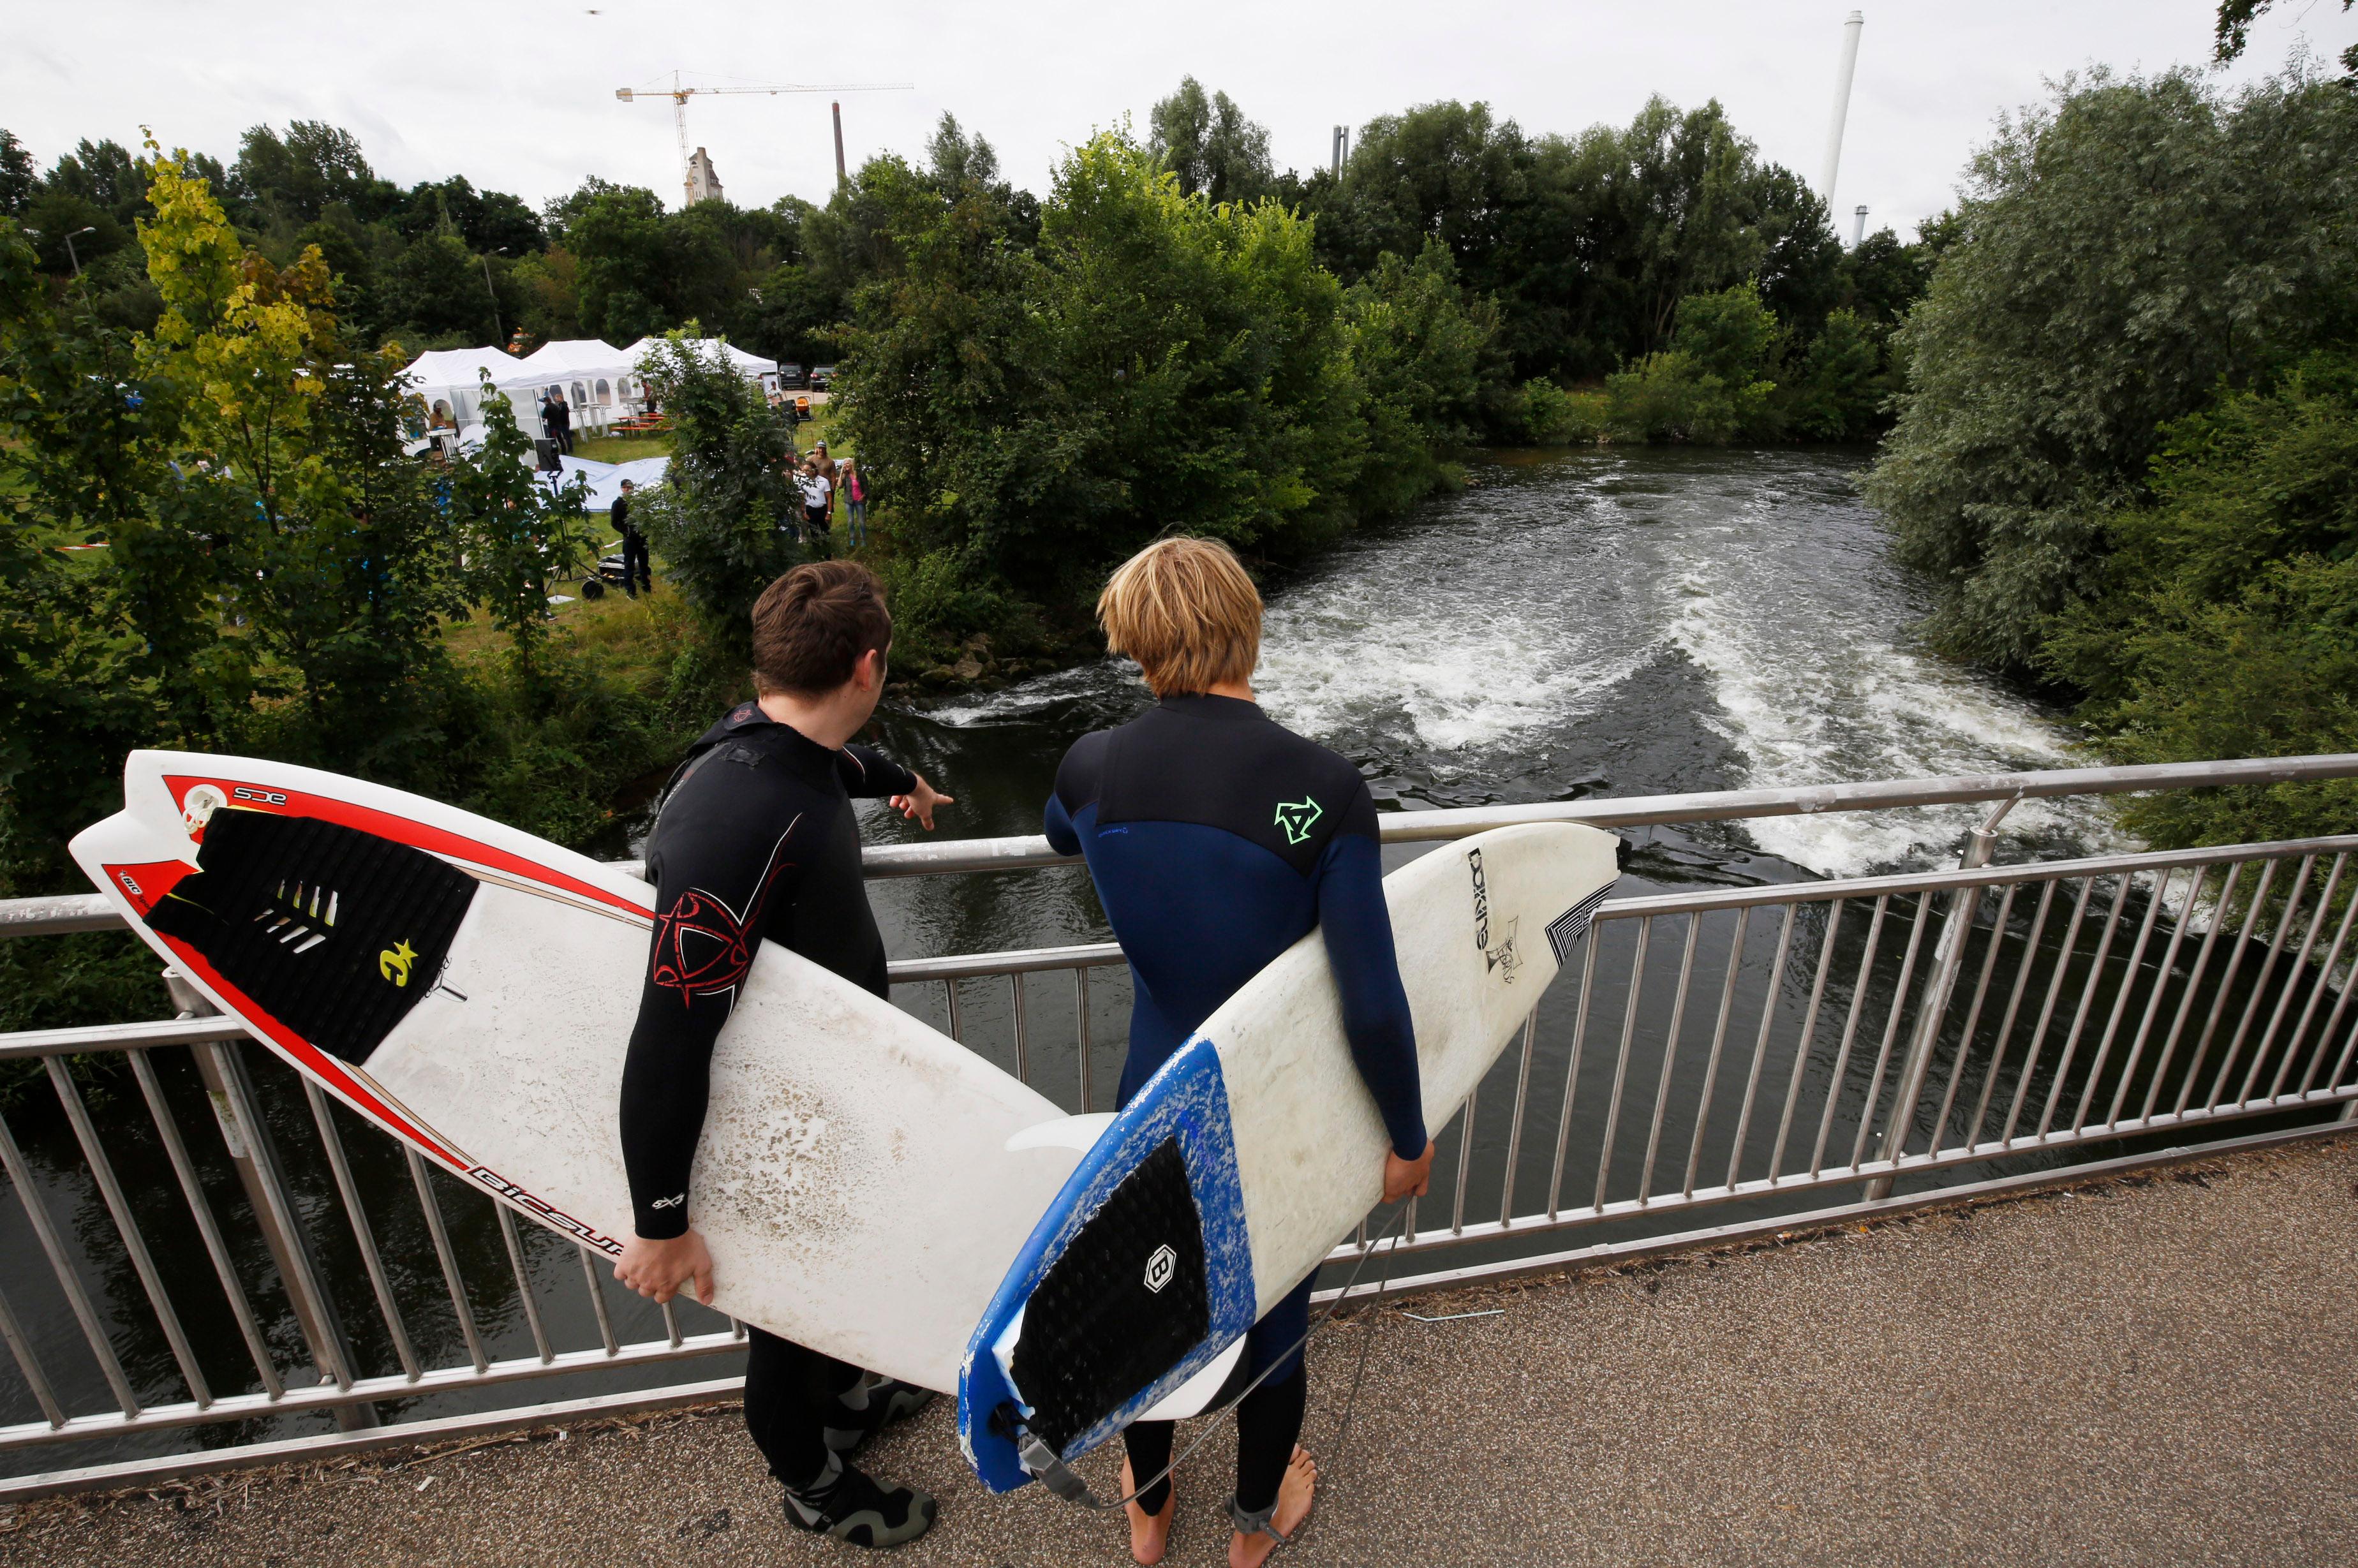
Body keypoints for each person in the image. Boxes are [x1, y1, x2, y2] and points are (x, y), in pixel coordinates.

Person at [1041, 538, 1434, 1568]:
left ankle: (1150, 1503)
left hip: (1154, 1098)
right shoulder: (1323, 788)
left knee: (1150, 1306)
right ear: (1247, 626)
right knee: (1272, 1320)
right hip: (1274, 1110)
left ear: (1134, 645)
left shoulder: (1089, 766)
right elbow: (1373, 999)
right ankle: (1254, 1527)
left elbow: (1057, 833)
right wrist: (1405, 1133)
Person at [614, 561, 956, 1550]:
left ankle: (847, 1401)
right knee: (785, 1309)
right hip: (768, 1113)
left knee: (839, 1270)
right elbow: (670, 1029)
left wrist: (905, 781)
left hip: (825, 1093)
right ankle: (810, 1479)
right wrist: (660, 1217)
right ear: (868, 665)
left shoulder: (781, 754)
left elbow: (837, 768)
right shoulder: (733, 819)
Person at [611, 478, 651, 598]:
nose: (627, 490)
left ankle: (646, 586)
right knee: (629, 565)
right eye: (625, 488)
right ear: (622, 489)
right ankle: (630, 591)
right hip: (630, 540)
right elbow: (614, 522)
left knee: (644, 564)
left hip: (642, 537)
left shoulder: (638, 501)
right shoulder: (618, 503)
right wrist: (626, 531)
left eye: (629, 488)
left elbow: (646, 515)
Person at [797, 457, 833, 544]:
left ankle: (827, 553)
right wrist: (804, 513)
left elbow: (829, 497)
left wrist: (829, 513)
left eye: (807, 470)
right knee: (814, 533)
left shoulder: (823, 481)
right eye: (804, 471)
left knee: (825, 531)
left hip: (822, 509)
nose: (805, 473)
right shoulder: (802, 481)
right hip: (810, 509)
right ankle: (816, 552)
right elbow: (801, 498)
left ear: (814, 470)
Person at [842, 459, 868, 549]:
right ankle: (852, 539)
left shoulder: (860, 475)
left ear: (852, 464)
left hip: (859, 501)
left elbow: (866, 488)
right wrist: (842, 472)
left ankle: (863, 539)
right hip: (849, 501)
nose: (846, 465)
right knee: (850, 521)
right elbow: (840, 485)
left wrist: (864, 496)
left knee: (861, 521)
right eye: (845, 464)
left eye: (848, 463)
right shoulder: (845, 476)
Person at [542, 388, 574, 455]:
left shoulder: (561, 406)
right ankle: (565, 451)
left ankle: (557, 452)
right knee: (561, 439)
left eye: (558, 398)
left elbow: (544, 417)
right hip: (559, 425)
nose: (556, 399)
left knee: (555, 440)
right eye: (556, 398)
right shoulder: (557, 406)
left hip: (556, 425)